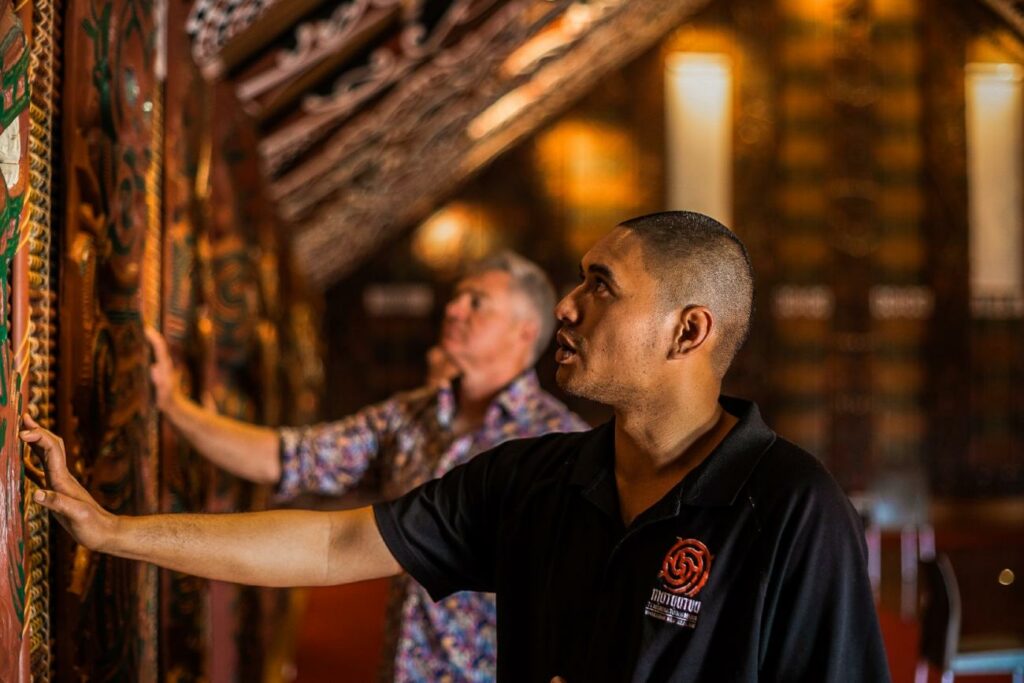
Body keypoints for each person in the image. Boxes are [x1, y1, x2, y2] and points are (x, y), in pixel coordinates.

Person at [23, 211, 891, 682]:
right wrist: (114, 530)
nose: (568, 305)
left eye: (600, 285)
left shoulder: (788, 506)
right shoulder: (540, 477)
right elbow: (334, 539)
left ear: (688, 329)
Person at [143, 250, 587, 682]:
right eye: (455, 297)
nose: (453, 309)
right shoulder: (411, 417)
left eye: (476, 302)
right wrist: (174, 406)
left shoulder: (558, 443)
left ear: (523, 331)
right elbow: (287, 458)